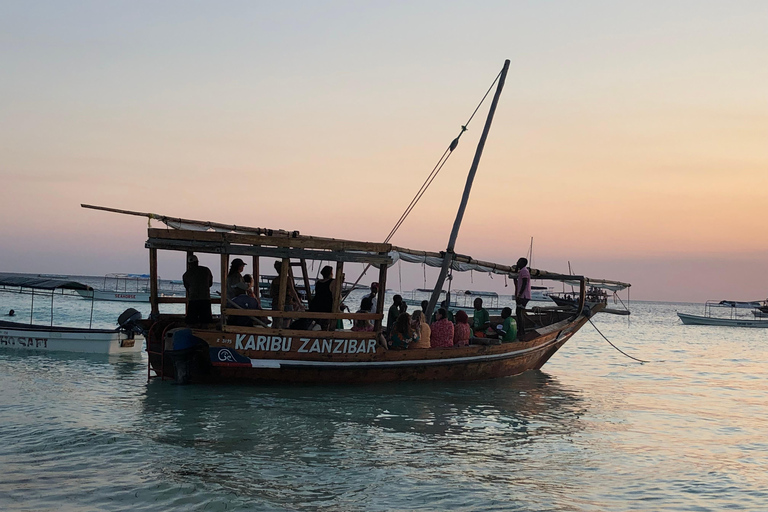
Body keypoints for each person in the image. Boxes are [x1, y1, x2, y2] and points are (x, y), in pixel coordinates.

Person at [269, 261, 304, 328]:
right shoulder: (288, 279)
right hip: (287, 303)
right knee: (286, 324)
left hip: (275, 303)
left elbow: (271, 293)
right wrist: (299, 304)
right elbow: (293, 291)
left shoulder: (275, 280)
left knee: (275, 323)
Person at [182, 254, 214, 325]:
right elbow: (210, 284)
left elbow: (187, 288)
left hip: (193, 299)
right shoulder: (206, 270)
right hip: (205, 298)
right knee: (206, 322)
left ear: (189, 264)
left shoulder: (186, 274)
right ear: (197, 262)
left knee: (192, 322)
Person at [308, 265, 336, 330]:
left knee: (317, 323)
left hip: (316, 304)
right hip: (326, 305)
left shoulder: (318, 282)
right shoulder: (332, 282)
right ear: (330, 273)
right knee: (325, 324)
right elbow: (334, 295)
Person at [515, 257, 531, 338]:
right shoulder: (523, 270)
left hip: (523, 295)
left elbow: (524, 283)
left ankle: (521, 331)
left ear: (522, 263)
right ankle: (521, 330)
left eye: (518, 262)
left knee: (519, 312)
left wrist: (519, 294)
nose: (517, 263)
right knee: (519, 312)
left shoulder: (524, 271)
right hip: (524, 295)